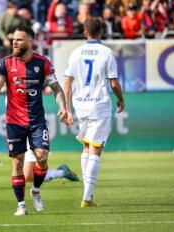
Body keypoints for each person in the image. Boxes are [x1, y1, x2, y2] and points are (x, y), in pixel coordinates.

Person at [0, 26, 67, 216]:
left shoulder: (43, 63)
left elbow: (56, 88)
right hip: (14, 121)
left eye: (19, 39)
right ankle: (21, 204)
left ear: (30, 42)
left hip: (37, 121)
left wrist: (63, 107)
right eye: (13, 39)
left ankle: (36, 191)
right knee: (17, 163)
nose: (14, 42)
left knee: (42, 157)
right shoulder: (5, 63)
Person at [63, 18, 125, 208]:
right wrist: (121, 99)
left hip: (80, 105)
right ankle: (87, 198)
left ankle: (87, 194)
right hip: (99, 105)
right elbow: (113, 83)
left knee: (87, 146)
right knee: (95, 148)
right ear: (102, 32)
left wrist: (66, 109)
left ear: (84, 32)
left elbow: (67, 84)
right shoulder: (107, 52)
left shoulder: (75, 53)